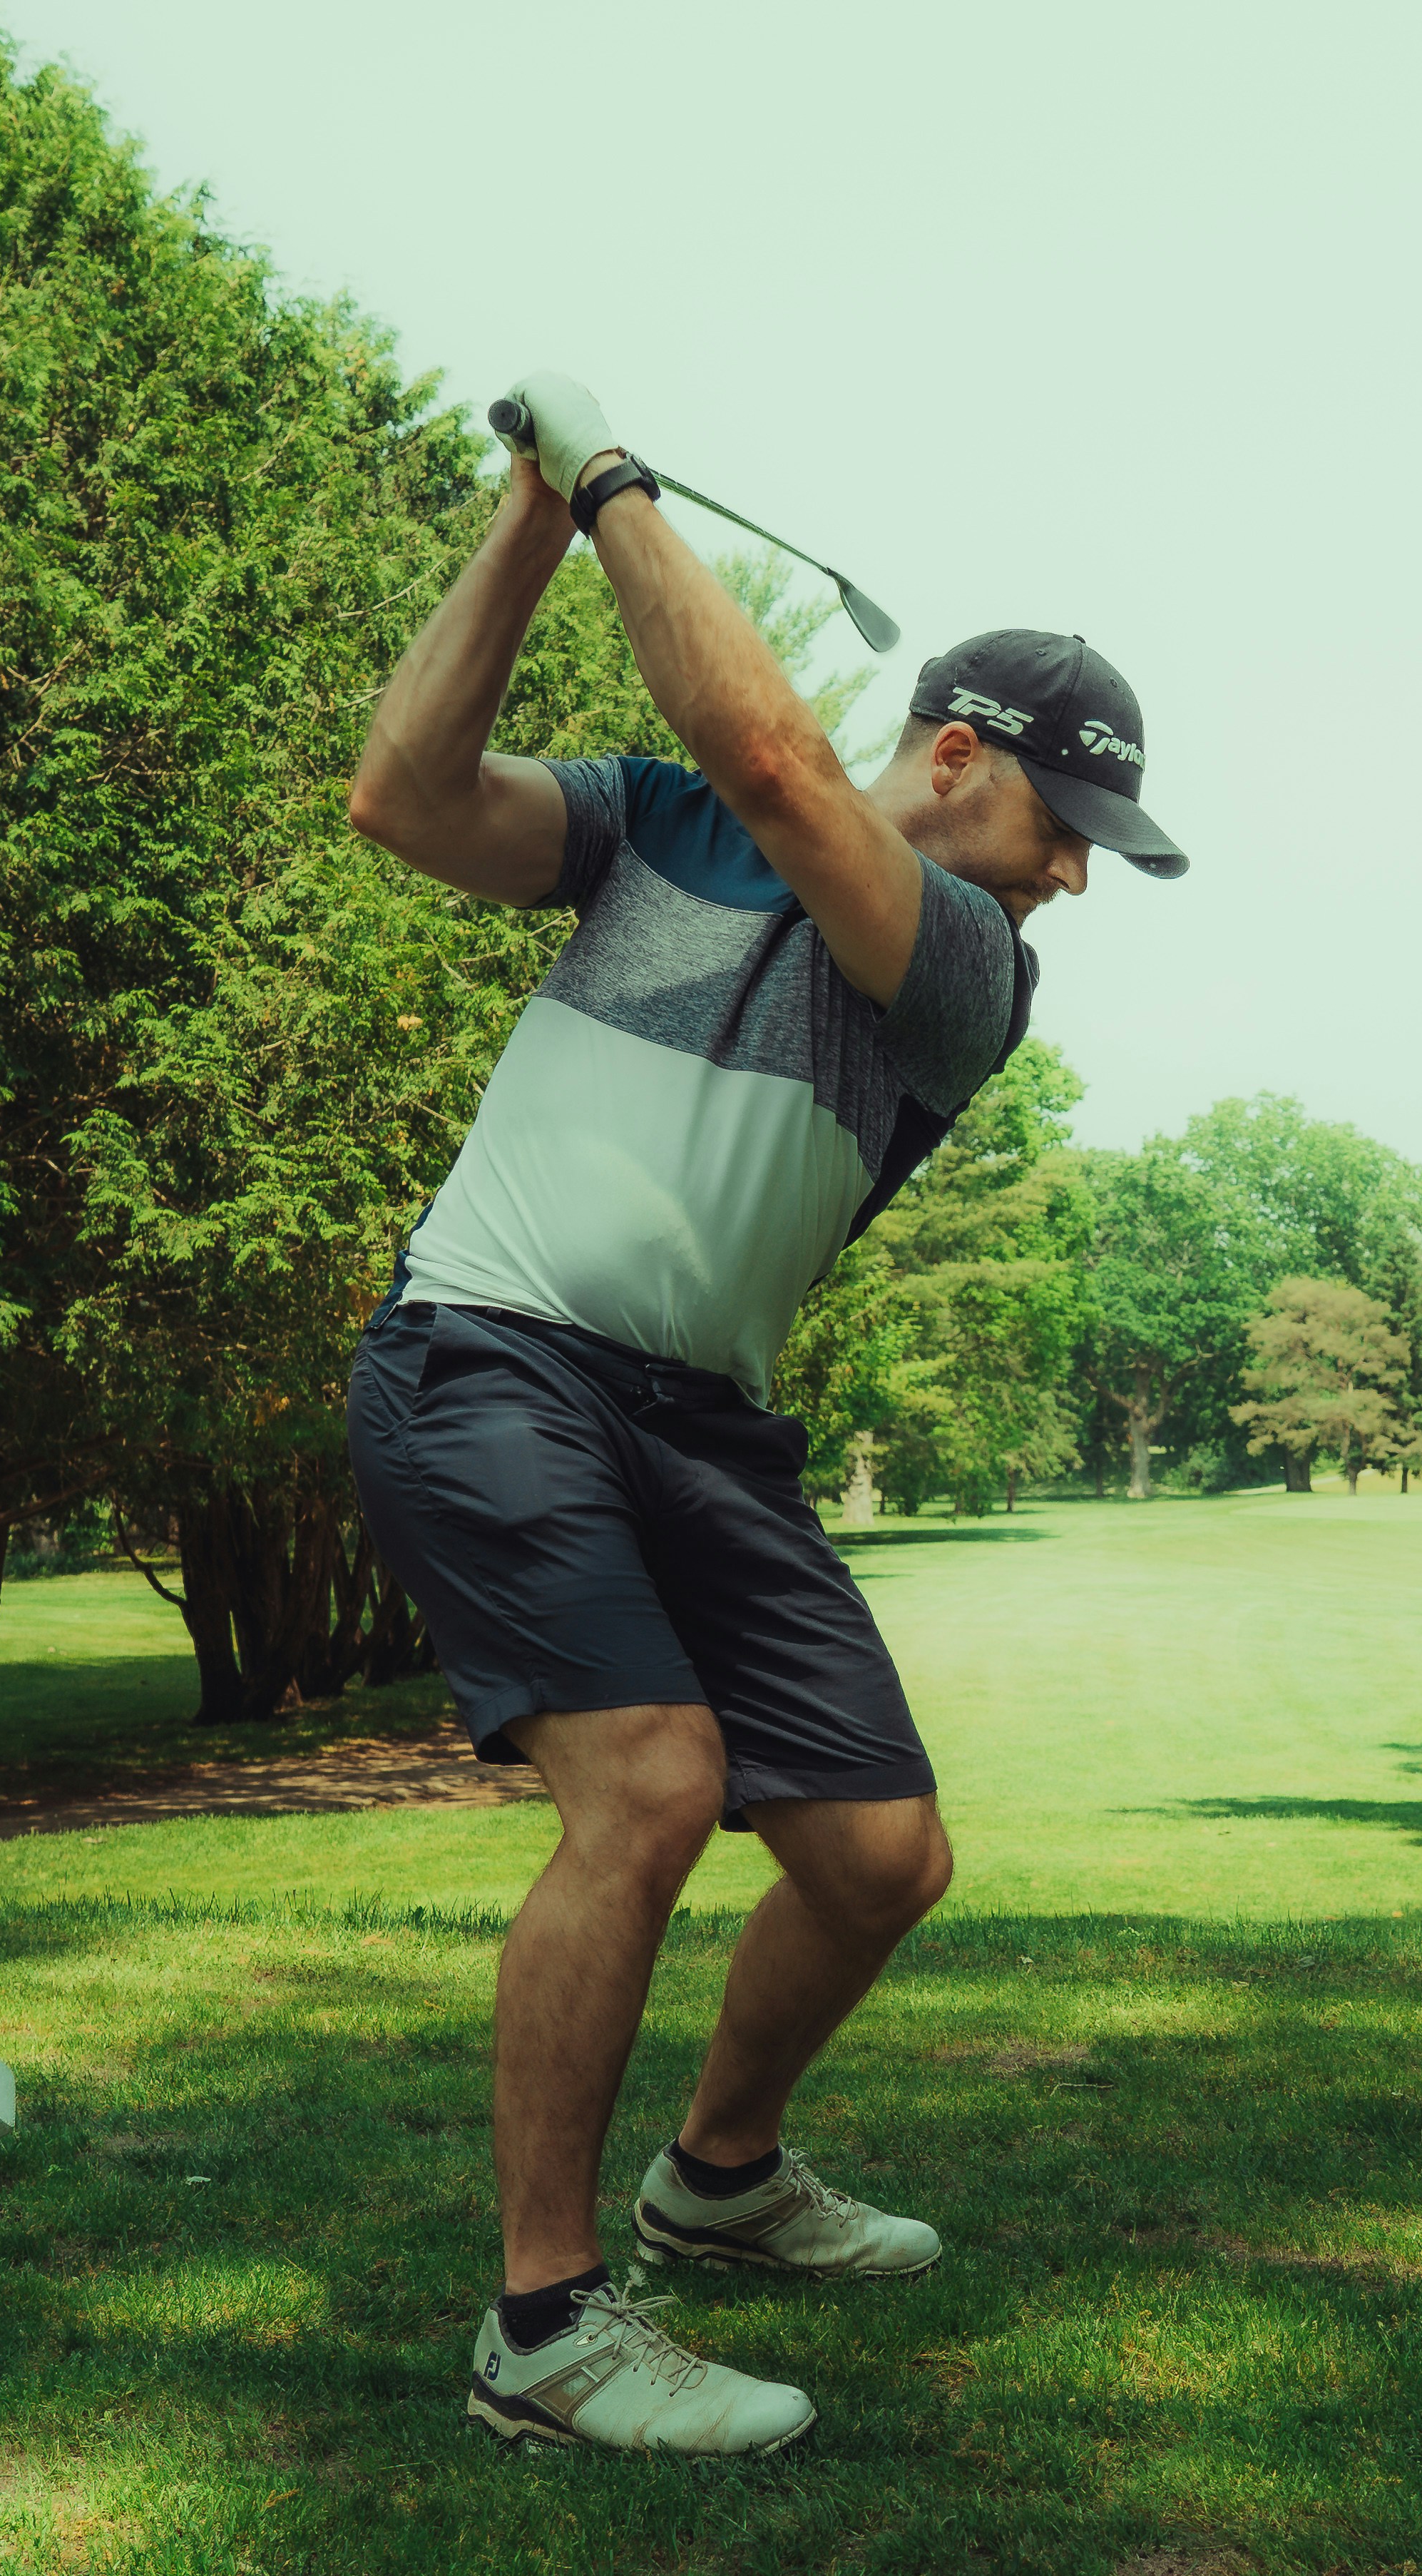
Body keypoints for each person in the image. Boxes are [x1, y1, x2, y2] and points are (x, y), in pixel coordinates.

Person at [337, 373, 1185, 2454]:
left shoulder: (968, 962)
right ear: (965, 757)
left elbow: (784, 764)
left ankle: (716, 2177)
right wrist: (532, 518)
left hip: (701, 1424)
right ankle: (543, 2333)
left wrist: (615, 478)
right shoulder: (653, 825)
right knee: (646, 1789)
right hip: (493, 1356)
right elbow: (405, 795)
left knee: (883, 1858)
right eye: (1068, 829)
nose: (1077, 879)